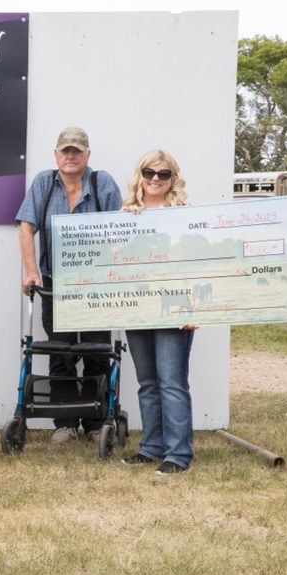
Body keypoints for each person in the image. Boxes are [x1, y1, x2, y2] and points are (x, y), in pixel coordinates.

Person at [14, 127, 122, 444]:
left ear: (87, 155)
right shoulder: (43, 183)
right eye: (65, 151)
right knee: (59, 352)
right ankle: (65, 423)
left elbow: (123, 229)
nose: (71, 156)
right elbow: (25, 226)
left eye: (77, 150)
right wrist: (31, 271)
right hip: (54, 284)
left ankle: (95, 422)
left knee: (97, 352)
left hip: (96, 286)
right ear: (56, 155)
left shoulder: (102, 183)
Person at [119, 150, 196, 475]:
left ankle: (178, 455)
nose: (155, 179)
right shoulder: (125, 215)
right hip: (137, 307)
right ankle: (151, 448)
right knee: (147, 382)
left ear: (172, 180)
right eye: (149, 172)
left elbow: (197, 264)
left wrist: (194, 306)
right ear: (140, 174)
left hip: (174, 307)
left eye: (163, 174)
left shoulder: (183, 215)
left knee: (171, 382)